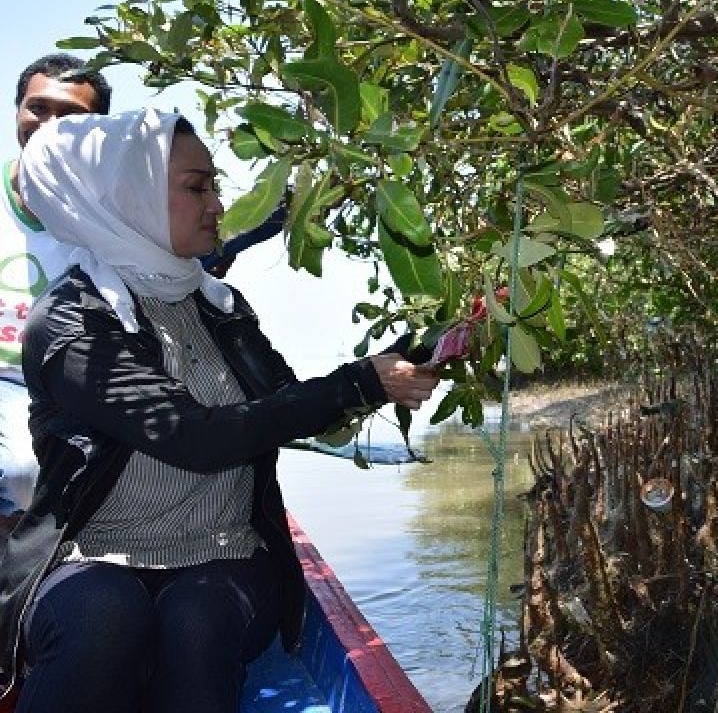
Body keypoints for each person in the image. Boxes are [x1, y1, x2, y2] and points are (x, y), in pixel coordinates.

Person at [0, 108, 440, 712]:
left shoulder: (217, 303)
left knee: (199, 619)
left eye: (215, 185)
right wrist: (359, 384)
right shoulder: (71, 322)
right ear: (127, 197)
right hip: (90, 552)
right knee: (102, 619)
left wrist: (420, 349)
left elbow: (285, 399)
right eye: (195, 187)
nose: (216, 206)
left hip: (226, 550)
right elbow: (189, 436)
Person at [0, 53, 111, 534]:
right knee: (24, 472)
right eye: (38, 109)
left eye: (71, 116)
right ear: (17, 112)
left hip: (70, 384)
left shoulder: (114, 213)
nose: (49, 125)